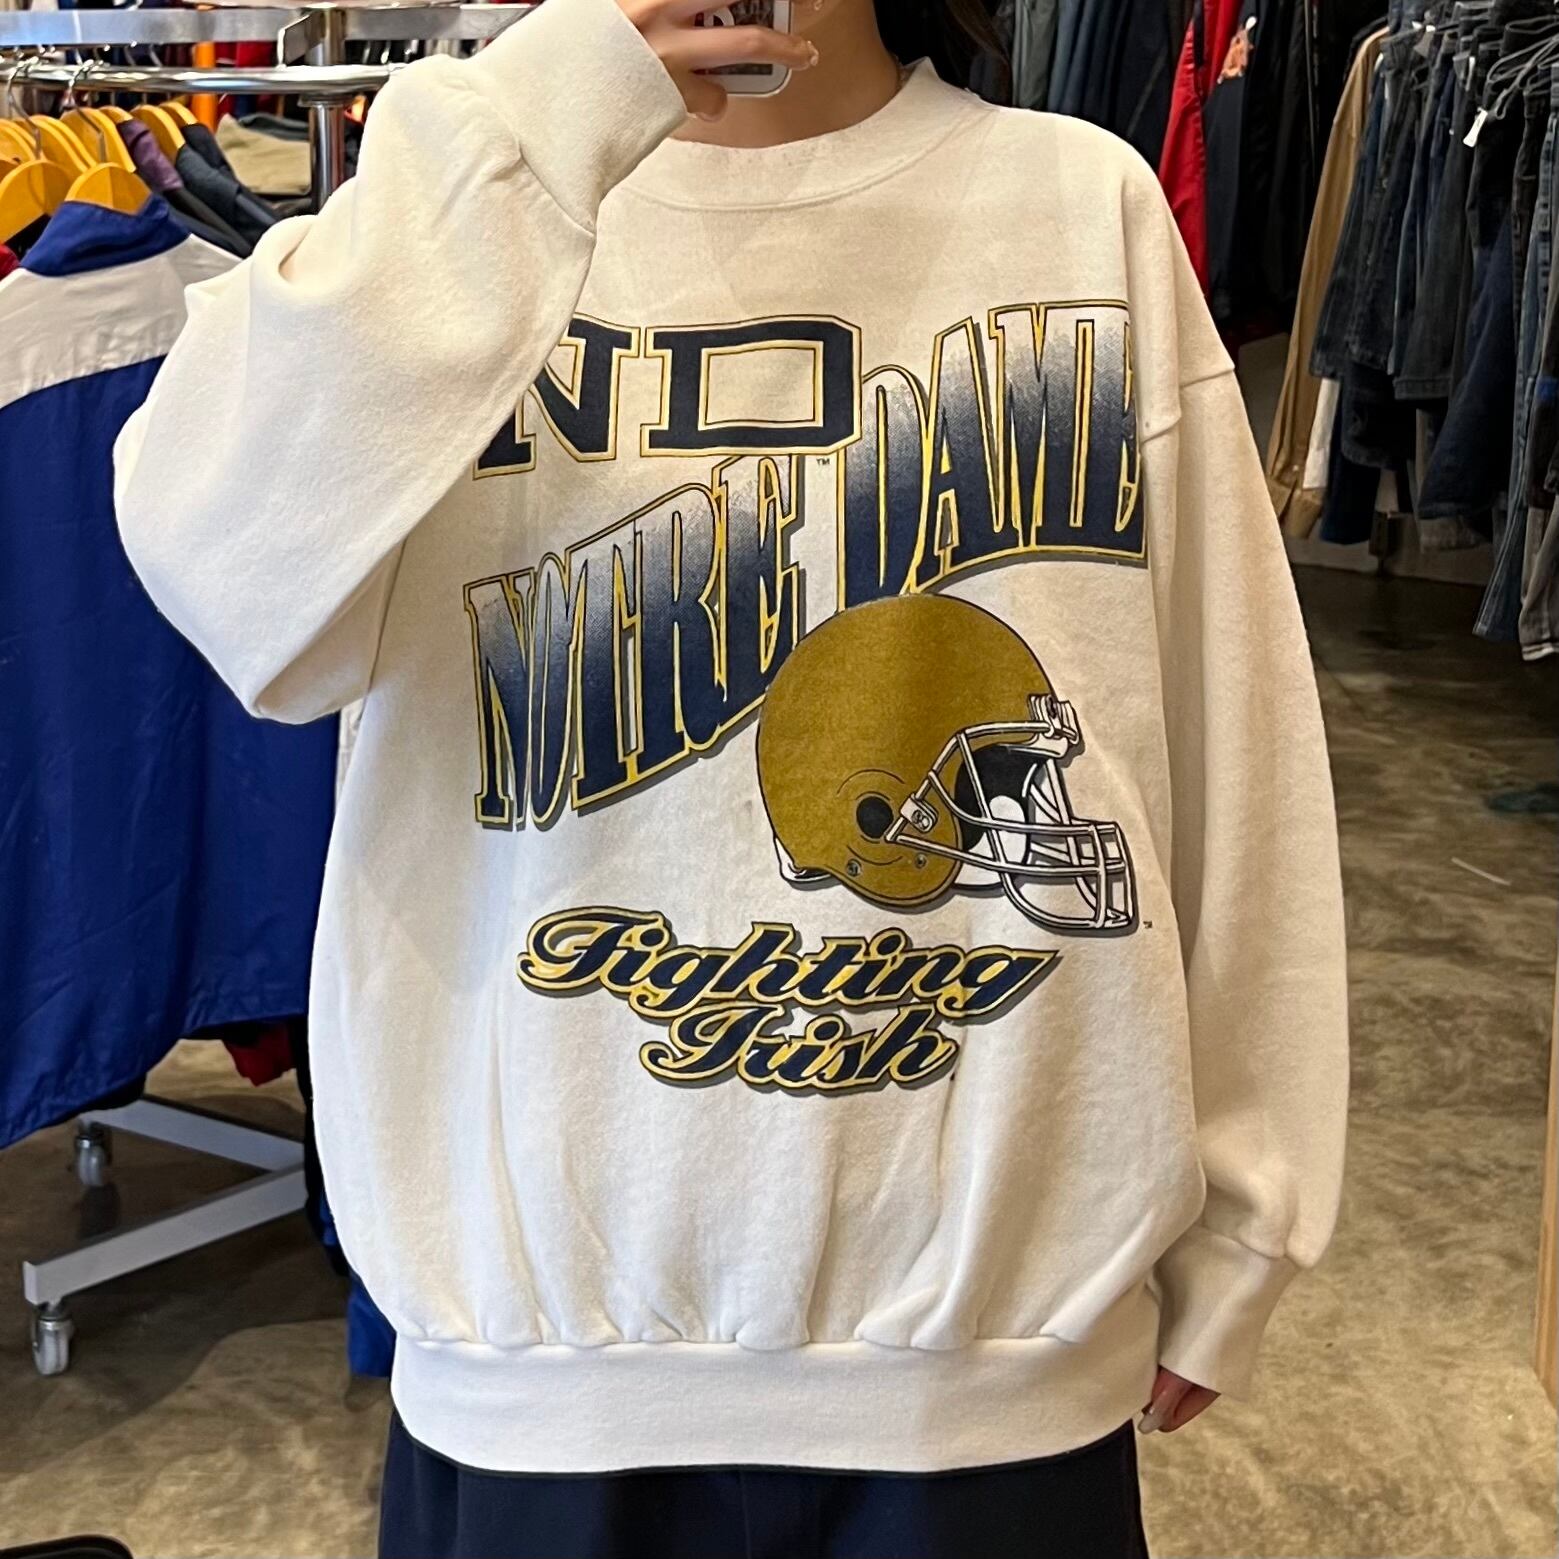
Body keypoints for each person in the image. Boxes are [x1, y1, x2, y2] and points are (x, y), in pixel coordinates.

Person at [113, 0, 1350, 1554]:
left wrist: (1247, 1217)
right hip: (537, 1384)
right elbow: (224, 579)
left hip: (986, 1379)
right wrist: (541, 110)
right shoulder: (459, 203)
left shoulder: (1078, 202)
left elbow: (1231, 746)